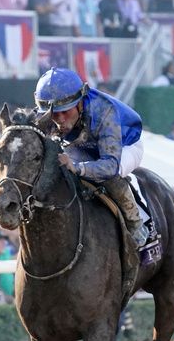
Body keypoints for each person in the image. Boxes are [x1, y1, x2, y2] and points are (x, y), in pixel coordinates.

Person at [33, 67, 150, 294]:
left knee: (110, 177)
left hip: (124, 146)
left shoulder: (104, 112)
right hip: (84, 145)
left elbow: (109, 165)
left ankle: (137, 225)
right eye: (53, 115)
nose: (59, 120)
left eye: (65, 112)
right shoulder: (49, 113)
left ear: (79, 102)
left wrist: (77, 168)